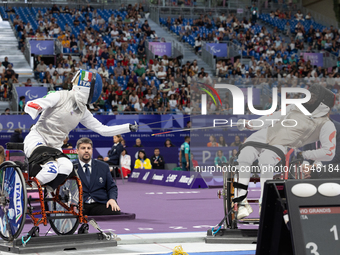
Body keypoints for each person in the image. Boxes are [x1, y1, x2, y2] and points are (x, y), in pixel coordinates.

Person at [23, 69, 138, 191]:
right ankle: (29, 189)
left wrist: (128, 127)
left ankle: (47, 191)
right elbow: (31, 104)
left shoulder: (83, 111)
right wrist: (36, 107)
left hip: (54, 148)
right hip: (38, 140)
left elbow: (103, 129)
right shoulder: (60, 96)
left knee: (67, 167)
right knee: (51, 170)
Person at [234, 84, 336, 219]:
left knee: (266, 160)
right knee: (244, 156)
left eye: (314, 96)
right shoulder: (294, 107)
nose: (309, 98)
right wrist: (250, 124)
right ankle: (241, 202)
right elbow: (271, 117)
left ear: (322, 102)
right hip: (266, 134)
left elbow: (329, 152)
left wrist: (305, 154)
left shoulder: (326, 124)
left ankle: (264, 202)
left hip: (285, 145)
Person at [75, 138, 120, 216]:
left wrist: (112, 199)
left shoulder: (103, 166)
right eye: (83, 148)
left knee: (115, 211)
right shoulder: (70, 167)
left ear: (92, 150)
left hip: (100, 203)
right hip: (79, 205)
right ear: (77, 151)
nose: (86, 151)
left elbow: (112, 187)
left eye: (88, 148)